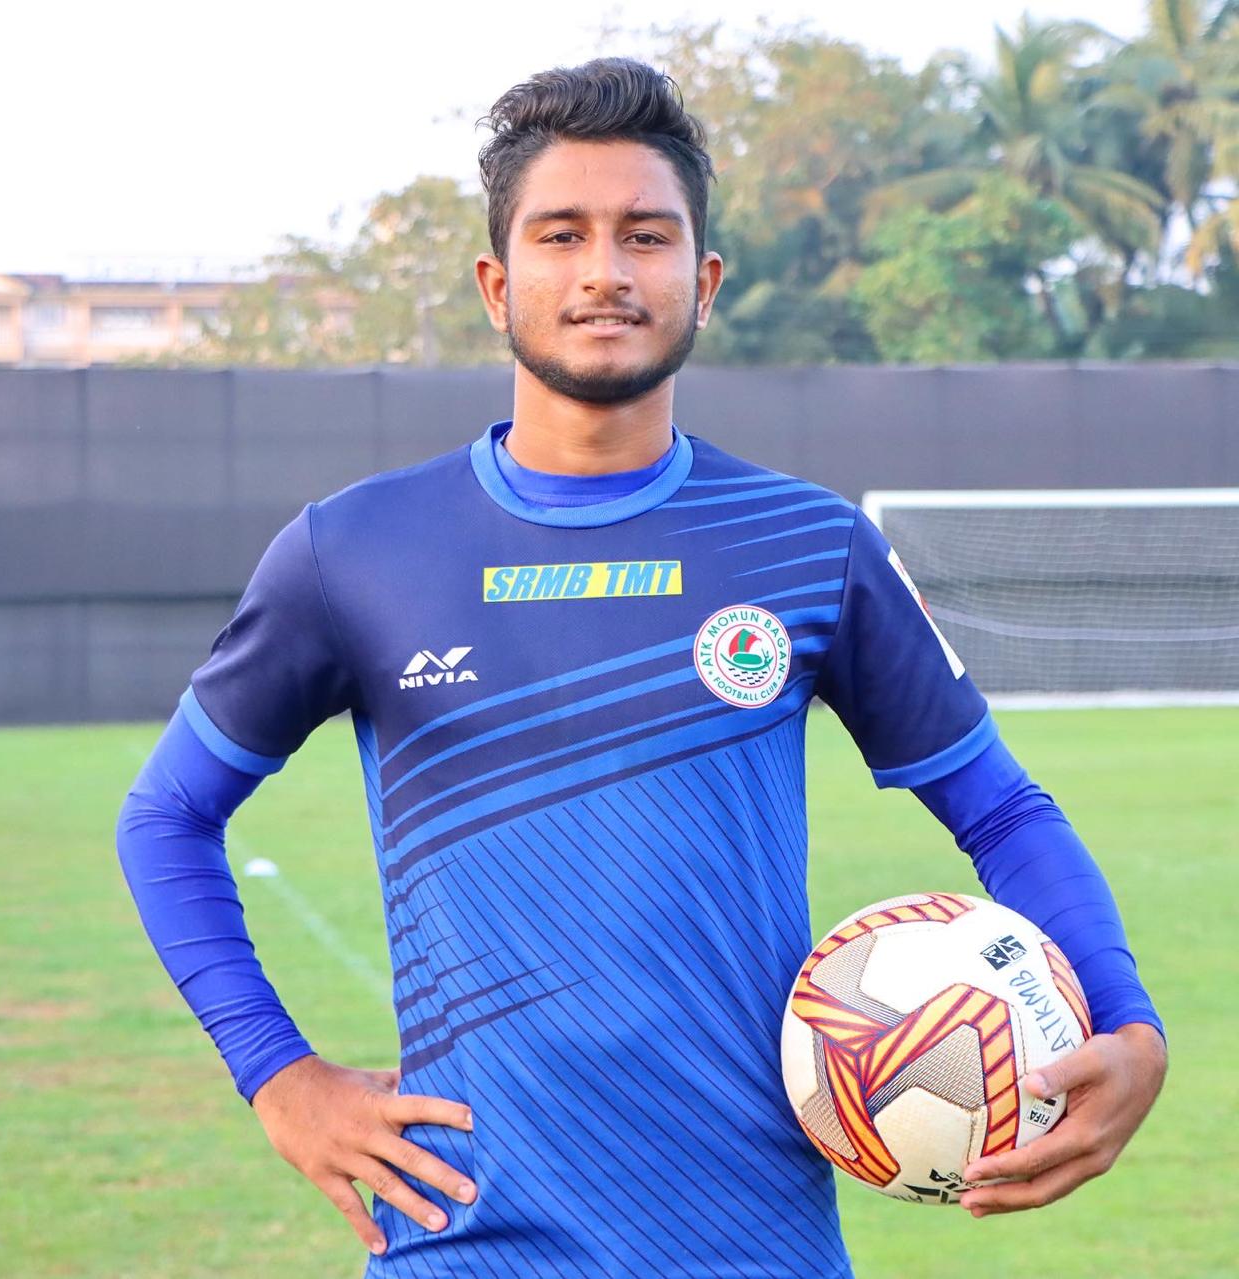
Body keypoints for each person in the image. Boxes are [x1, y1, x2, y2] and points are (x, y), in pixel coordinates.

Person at [116, 57, 1166, 1279]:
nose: (605, 271)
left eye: (644, 236)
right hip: (469, 1243)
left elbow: (1000, 806)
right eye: (561, 235)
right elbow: (167, 814)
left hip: (753, 1245)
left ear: (702, 281)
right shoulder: (353, 551)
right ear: (496, 282)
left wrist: (1126, 1020)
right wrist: (280, 1077)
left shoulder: (808, 545)